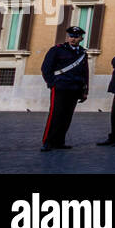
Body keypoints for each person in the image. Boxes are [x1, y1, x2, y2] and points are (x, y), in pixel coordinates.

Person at [39, 24, 91, 152]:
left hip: (75, 88)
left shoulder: (83, 53)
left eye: (76, 37)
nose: (73, 39)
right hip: (60, 86)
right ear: (67, 37)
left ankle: (59, 141)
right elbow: (46, 68)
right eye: (71, 36)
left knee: (67, 116)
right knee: (55, 114)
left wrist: (85, 91)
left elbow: (85, 72)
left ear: (81, 39)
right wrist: (52, 83)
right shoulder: (57, 50)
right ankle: (48, 141)